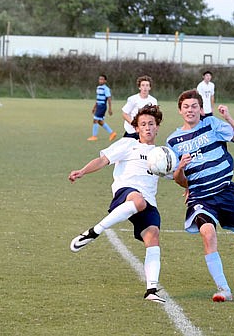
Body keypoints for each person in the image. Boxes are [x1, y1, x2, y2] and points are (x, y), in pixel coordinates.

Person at [69, 104, 166, 304]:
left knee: (153, 236)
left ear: (157, 127)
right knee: (137, 200)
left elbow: (176, 176)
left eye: (151, 124)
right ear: (136, 128)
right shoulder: (127, 145)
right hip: (126, 191)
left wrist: (182, 171)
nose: (147, 127)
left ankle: (151, 289)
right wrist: (82, 171)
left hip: (149, 200)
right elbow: (103, 160)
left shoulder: (163, 153)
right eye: (143, 124)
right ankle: (94, 231)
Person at [166, 90, 234, 303]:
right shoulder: (173, 141)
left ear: (201, 109)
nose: (190, 110)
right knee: (207, 234)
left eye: (194, 106)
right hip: (200, 198)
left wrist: (229, 118)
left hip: (226, 193)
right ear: (180, 111)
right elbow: (180, 180)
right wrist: (180, 168)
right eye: (186, 107)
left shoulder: (213, 125)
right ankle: (223, 289)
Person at [87, 74, 117, 141]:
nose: (100, 80)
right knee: (100, 121)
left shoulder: (106, 89)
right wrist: (94, 107)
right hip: (98, 106)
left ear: (105, 81)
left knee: (95, 120)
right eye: (99, 79)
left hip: (102, 106)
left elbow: (109, 98)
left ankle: (94, 136)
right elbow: (98, 99)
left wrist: (110, 108)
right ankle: (112, 133)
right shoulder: (98, 88)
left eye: (102, 79)